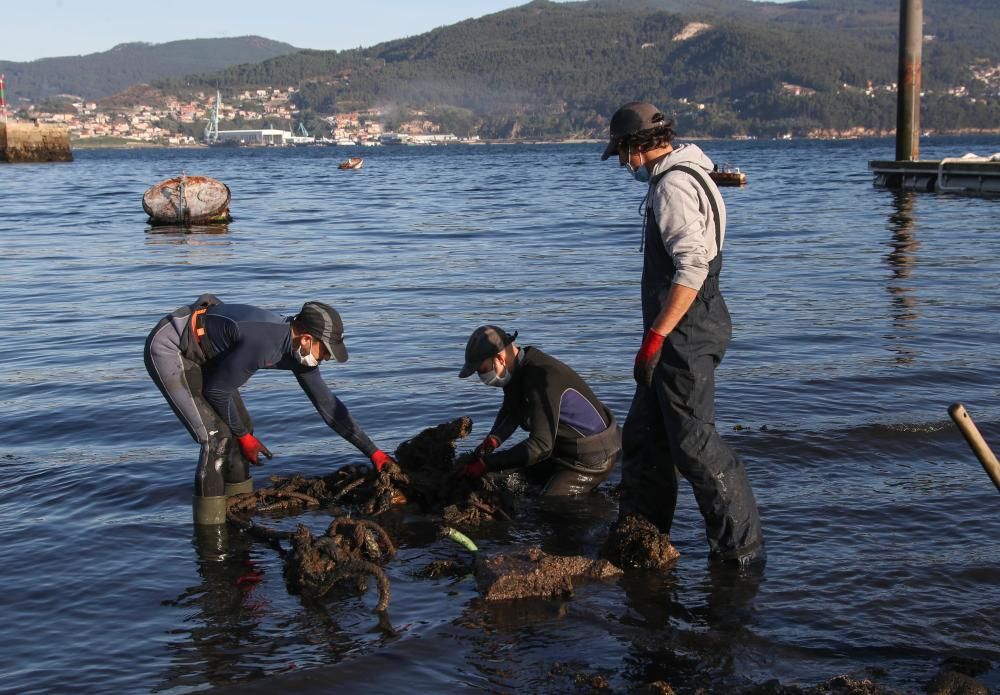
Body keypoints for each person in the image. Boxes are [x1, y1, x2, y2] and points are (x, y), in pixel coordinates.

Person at [600, 101, 764, 564]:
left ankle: (741, 553)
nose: (619, 162)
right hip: (687, 325)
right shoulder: (692, 174)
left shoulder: (673, 185)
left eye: (620, 152)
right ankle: (642, 538)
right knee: (645, 435)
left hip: (686, 331)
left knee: (694, 446)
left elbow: (692, 269)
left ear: (637, 146)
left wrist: (656, 337)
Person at [144, 294, 396, 525]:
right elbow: (216, 392)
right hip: (172, 347)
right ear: (307, 339)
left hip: (206, 348)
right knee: (216, 439)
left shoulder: (300, 352)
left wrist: (373, 453)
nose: (327, 359)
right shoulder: (264, 341)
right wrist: (243, 436)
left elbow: (328, 406)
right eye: (326, 351)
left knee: (241, 430)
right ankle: (212, 537)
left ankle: (239, 513)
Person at [456, 325, 621, 496]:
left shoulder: (541, 377)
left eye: (482, 370)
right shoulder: (517, 369)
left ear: (499, 358)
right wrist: (493, 440)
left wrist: (486, 464)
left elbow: (540, 446)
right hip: (560, 450)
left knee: (548, 505)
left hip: (591, 458)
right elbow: (512, 410)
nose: (482, 377)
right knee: (506, 479)